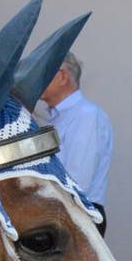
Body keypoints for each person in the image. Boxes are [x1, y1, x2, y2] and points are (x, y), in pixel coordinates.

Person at [40, 51, 113, 206]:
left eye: (44, 73)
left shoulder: (86, 115)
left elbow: (78, 181)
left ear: (63, 77)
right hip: (56, 212)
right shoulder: (53, 120)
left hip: (76, 213)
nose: (38, 80)